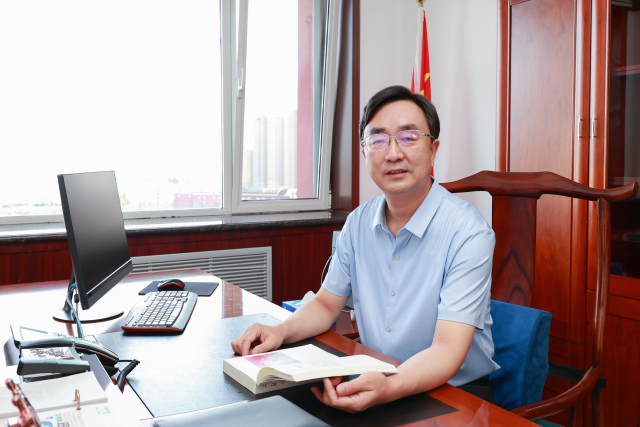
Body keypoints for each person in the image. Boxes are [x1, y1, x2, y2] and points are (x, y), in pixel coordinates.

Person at [232, 85, 499, 413]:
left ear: (433, 150)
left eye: (408, 137)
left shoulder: (468, 232)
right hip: (379, 375)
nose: (393, 153)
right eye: (378, 140)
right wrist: (279, 331)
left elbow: (447, 349)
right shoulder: (358, 223)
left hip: (454, 394)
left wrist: (390, 386)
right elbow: (326, 305)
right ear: (364, 153)